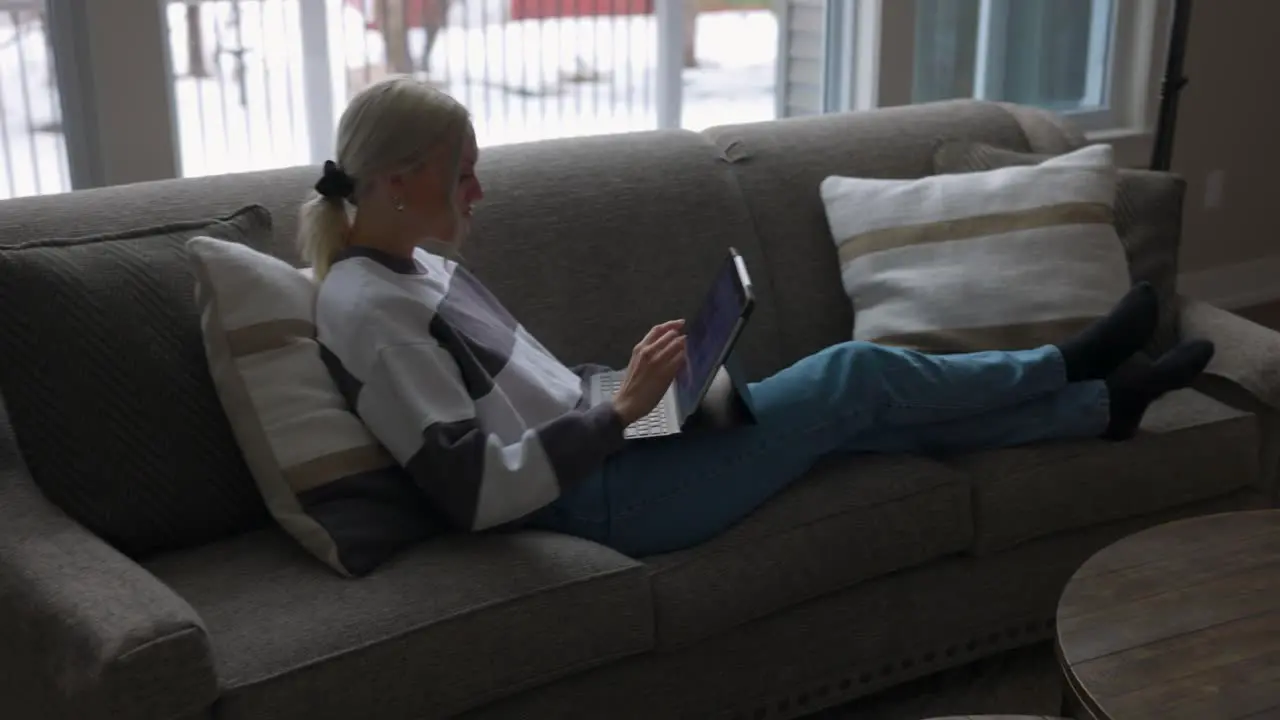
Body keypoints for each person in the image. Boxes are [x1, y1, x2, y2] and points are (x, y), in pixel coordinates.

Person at [301, 77, 1215, 558]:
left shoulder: (411, 264)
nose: (479, 190)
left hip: (618, 446)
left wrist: (629, 386)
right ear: (395, 182)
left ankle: (1103, 406)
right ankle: (1069, 364)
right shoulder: (369, 312)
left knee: (861, 418)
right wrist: (618, 414)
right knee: (855, 375)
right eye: (461, 172)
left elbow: (523, 396)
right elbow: (470, 492)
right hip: (605, 504)